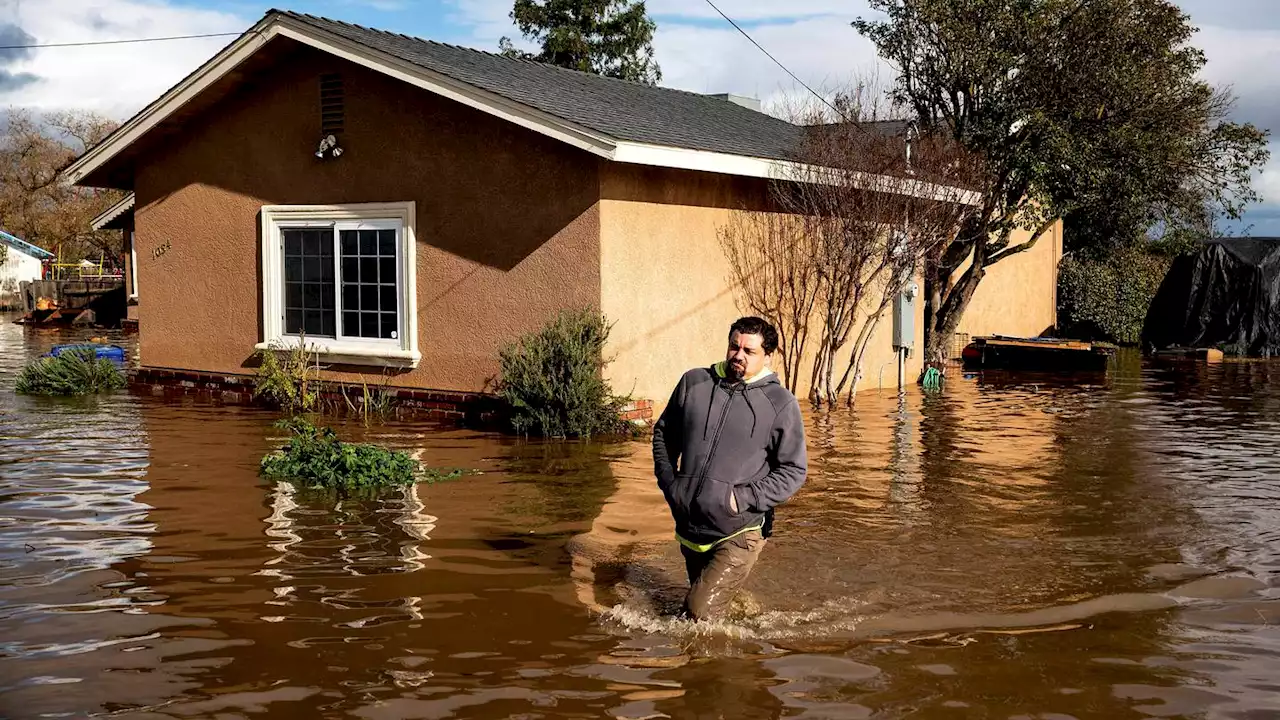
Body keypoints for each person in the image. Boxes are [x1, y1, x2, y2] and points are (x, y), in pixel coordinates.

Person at [651, 316, 808, 621]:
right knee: (703, 607)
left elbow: (793, 470)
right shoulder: (694, 382)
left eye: (749, 351)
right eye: (735, 346)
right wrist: (670, 484)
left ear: (767, 356)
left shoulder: (780, 403)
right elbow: (663, 434)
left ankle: (711, 666)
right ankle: (735, 631)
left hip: (740, 529)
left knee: (698, 612)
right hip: (690, 527)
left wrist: (741, 499)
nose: (739, 355)